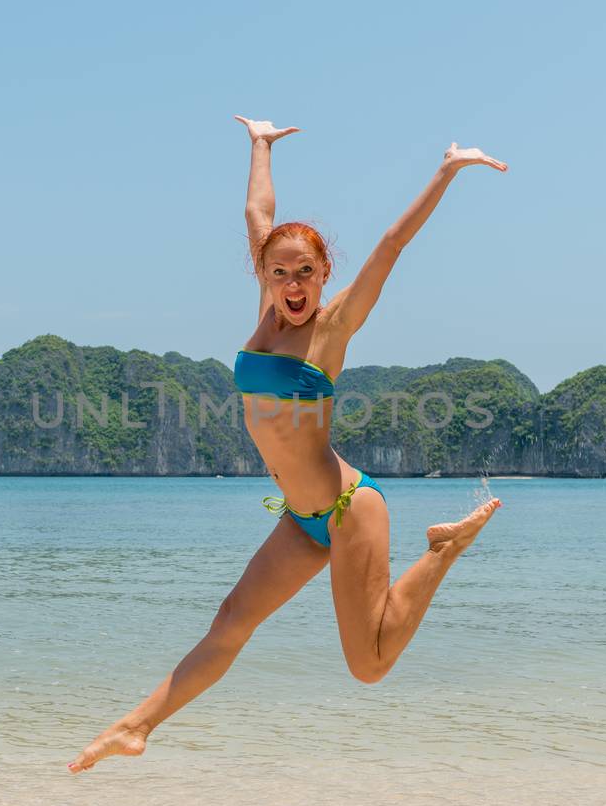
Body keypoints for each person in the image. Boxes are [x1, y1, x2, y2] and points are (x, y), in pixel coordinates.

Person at [68, 116, 506, 773]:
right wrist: (260, 146)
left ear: (325, 272)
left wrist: (447, 169)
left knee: (369, 666)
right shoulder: (266, 312)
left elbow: (392, 242)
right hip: (302, 522)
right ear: (265, 273)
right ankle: (136, 726)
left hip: (348, 511)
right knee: (230, 623)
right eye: (280, 273)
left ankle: (444, 550)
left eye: (305, 272)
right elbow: (257, 209)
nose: (293, 286)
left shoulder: (334, 326)